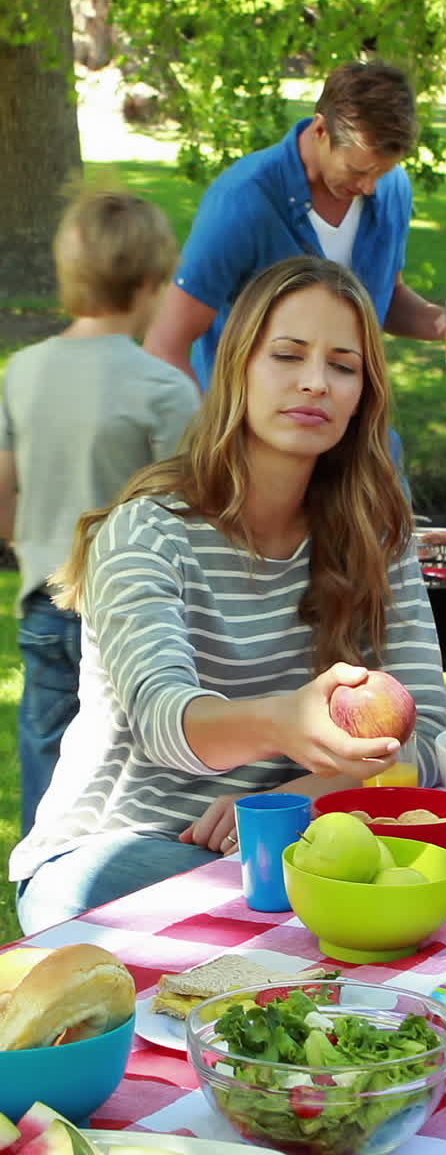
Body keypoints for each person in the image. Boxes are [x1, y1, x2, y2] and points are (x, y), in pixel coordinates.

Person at [10, 255, 446, 934]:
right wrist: (284, 723)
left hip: (291, 845)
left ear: (364, 393)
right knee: (304, 926)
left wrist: (307, 791)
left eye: (342, 365)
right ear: (238, 366)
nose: (314, 382)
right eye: (288, 355)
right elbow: (164, 725)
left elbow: (432, 740)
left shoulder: (376, 532)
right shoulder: (146, 531)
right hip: (119, 851)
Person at [0, 187, 200, 834]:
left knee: (48, 757)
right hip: (130, 612)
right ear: (151, 283)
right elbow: (195, 508)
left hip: (42, 603)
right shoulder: (164, 387)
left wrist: (34, 543)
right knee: (132, 770)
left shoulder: (22, 371)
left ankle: (42, 885)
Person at [143, 60, 446, 391]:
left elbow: (387, 298)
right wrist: (206, 442)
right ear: (321, 130)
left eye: (382, 172)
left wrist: (439, 322)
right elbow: (165, 343)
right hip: (251, 437)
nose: (369, 188)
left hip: (350, 432)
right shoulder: (243, 200)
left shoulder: (393, 188)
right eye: (358, 171)